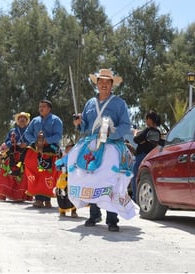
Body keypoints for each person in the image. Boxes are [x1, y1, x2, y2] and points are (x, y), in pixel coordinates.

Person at [68, 68, 136, 232]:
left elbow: (126, 125)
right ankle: (94, 213)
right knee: (89, 175)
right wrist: (79, 123)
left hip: (112, 144)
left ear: (112, 85)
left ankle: (112, 218)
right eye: (101, 82)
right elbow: (85, 126)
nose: (103, 84)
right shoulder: (90, 103)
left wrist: (111, 133)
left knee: (109, 179)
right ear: (97, 84)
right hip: (92, 142)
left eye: (107, 82)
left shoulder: (119, 103)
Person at [24, 99, 63, 208]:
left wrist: (46, 140)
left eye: (43, 106)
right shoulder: (35, 120)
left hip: (50, 150)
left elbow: (58, 135)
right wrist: (35, 141)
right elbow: (27, 133)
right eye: (40, 106)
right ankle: (39, 199)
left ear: (49, 108)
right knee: (36, 173)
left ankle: (47, 199)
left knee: (47, 174)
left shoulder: (56, 120)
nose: (41, 108)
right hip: (36, 150)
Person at [0, 112, 33, 202]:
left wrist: (27, 144)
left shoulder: (30, 131)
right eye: (20, 119)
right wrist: (12, 143)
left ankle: (21, 196)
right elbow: (6, 141)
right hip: (12, 153)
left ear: (26, 121)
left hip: (24, 153)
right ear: (17, 121)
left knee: (23, 174)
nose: (22, 121)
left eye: (24, 119)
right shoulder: (12, 131)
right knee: (6, 172)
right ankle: (3, 194)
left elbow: (33, 140)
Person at [131, 110, 162, 202]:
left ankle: (135, 198)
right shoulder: (157, 131)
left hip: (141, 156)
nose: (145, 121)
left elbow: (136, 139)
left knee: (135, 177)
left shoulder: (148, 130)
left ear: (149, 119)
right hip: (149, 157)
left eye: (146, 119)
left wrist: (136, 132)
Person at [55, 142, 78, 217]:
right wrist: (59, 165)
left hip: (74, 177)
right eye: (68, 148)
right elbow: (58, 166)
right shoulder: (64, 158)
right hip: (64, 177)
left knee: (74, 193)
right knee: (61, 193)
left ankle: (73, 210)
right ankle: (62, 210)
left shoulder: (78, 157)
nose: (69, 150)